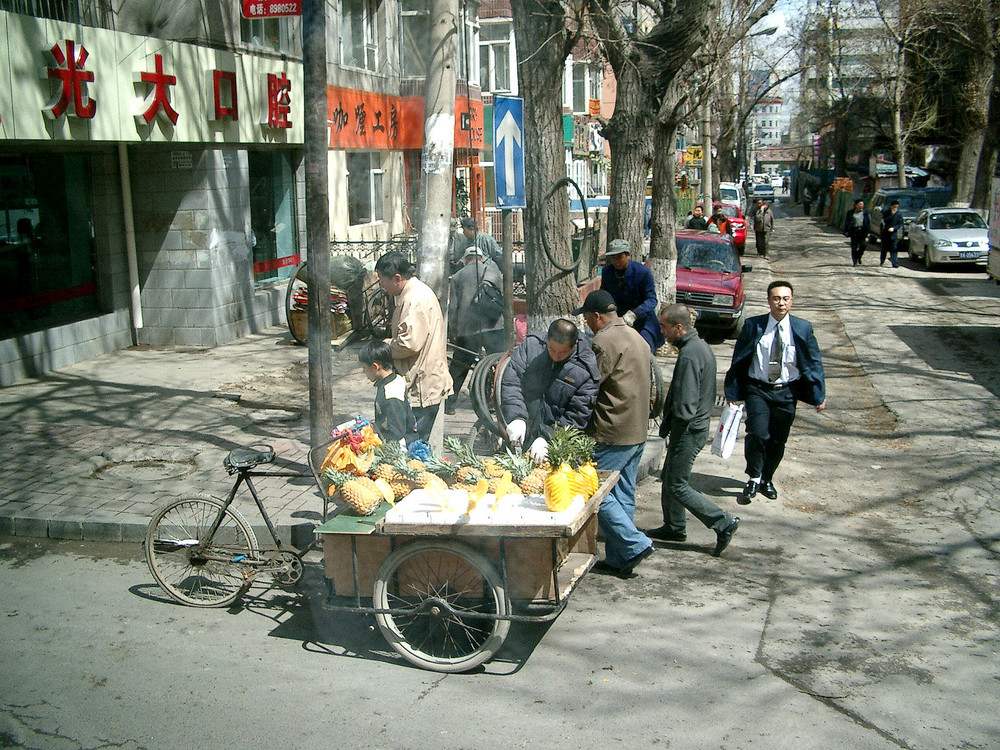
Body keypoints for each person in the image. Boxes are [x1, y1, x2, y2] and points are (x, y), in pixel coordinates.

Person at [645, 305, 741, 556]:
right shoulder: (697, 347)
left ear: (679, 327)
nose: (661, 332)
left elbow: (685, 403)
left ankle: (723, 521)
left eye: (664, 327)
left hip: (688, 430)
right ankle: (674, 527)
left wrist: (675, 427)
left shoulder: (689, 355)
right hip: (692, 427)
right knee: (669, 478)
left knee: (677, 483)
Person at [724, 281, 826, 505]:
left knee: (778, 439)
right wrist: (732, 390)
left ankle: (766, 479)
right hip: (758, 389)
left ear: (792, 301)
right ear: (769, 300)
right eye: (776, 298)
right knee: (758, 433)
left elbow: (814, 361)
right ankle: (753, 476)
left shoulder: (802, 328)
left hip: (786, 391)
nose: (781, 303)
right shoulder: (753, 326)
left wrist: (819, 394)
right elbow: (739, 359)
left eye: (785, 299)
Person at [575, 290, 655, 578]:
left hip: (612, 430)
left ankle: (635, 543)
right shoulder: (638, 337)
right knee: (622, 492)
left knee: (594, 489)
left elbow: (591, 386)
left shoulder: (603, 341)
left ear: (597, 317)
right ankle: (622, 557)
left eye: (586, 318)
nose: (586, 323)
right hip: (637, 429)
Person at [375, 251, 453, 443]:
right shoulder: (412, 294)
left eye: (382, 280)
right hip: (422, 378)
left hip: (422, 383)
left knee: (414, 444)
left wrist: (384, 347)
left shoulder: (414, 299)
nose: (381, 286)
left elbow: (409, 343)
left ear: (397, 278)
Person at [501, 318, 600, 461]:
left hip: (556, 447)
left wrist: (548, 437)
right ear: (547, 339)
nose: (555, 356)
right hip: (523, 431)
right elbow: (512, 383)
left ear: (575, 345)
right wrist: (517, 417)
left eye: (562, 352)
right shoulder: (531, 347)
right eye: (551, 349)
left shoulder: (585, 370)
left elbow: (577, 414)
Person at [446, 246, 505, 414]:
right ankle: (497, 400)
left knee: (459, 366)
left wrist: (454, 329)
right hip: (494, 325)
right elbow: (502, 298)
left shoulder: (458, 276)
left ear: (466, 259)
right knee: (498, 364)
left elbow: (454, 307)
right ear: (481, 258)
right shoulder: (494, 272)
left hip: (468, 328)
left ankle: (450, 404)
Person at [599, 238, 664, 353]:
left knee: (643, 351)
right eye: (613, 258)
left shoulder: (643, 272)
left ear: (628, 255)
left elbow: (652, 300)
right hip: (618, 321)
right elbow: (604, 295)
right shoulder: (607, 272)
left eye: (619, 257)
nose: (616, 261)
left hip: (642, 322)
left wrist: (635, 314)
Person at [358, 340, 417, 446]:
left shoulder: (391, 396)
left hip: (398, 449)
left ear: (375, 367)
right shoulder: (395, 378)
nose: (363, 372)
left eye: (364, 368)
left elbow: (396, 434)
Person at [842, 198, 871, 267]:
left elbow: (868, 222)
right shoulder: (850, 213)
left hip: (862, 231)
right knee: (854, 247)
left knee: (863, 245)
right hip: (854, 231)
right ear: (856, 205)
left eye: (862, 204)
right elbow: (847, 222)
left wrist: (868, 231)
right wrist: (846, 231)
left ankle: (859, 256)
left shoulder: (865, 212)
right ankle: (854, 261)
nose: (861, 206)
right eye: (859, 204)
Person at [879, 200, 903, 268]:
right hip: (886, 233)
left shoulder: (899, 214)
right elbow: (885, 220)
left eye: (896, 207)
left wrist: (894, 228)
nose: (895, 208)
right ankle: (882, 261)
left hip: (894, 234)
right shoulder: (887, 212)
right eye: (894, 207)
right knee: (884, 249)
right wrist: (892, 215)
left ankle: (894, 263)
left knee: (894, 249)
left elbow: (900, 223)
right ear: (892, 206)